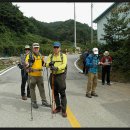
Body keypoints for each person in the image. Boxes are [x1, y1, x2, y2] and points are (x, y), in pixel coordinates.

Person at [25, 43, 50, 109]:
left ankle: (44, 101)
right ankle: (34, 102)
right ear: (33, 48)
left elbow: (43, 64)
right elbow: (26, 64)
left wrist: (48, 64)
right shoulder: (29, 55)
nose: (36, 49)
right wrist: (28, 64)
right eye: (35, 48)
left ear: (39, 48)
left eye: (37, 48)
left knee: (42, 89)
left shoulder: (40, 55)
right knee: (32, 89)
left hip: (39, 75)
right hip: (32, 75)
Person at [46, 42, 67, 118]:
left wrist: (57, 68)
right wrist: (50, 64)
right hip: (52, 76)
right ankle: (58, 107)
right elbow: (46, 64)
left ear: (60, 48)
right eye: (54, 47)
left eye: (57, 47)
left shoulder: (63, 56)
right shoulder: (50, 56)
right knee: (54, 93)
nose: (55, 49)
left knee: (62, 93)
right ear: (53, 48)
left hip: (60, 75)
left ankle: (64, 110)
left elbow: (64, 65)